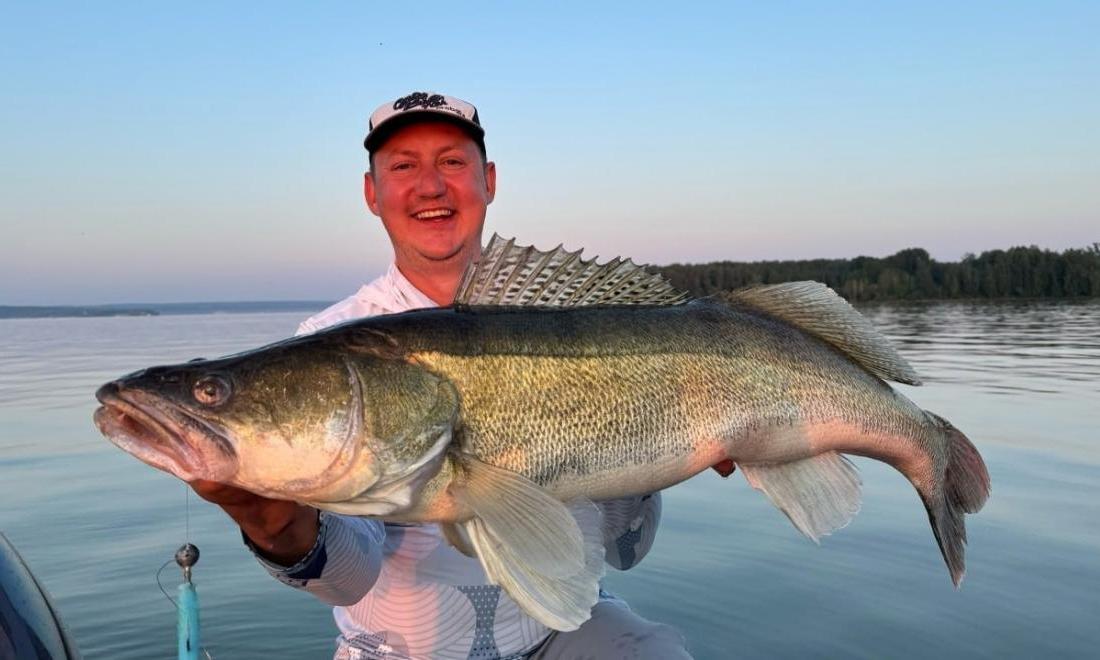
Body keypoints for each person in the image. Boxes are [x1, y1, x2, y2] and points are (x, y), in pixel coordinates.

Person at [192, 92, 692, 659]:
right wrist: (271, 522)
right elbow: (348, 579)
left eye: (452, 161)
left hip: (561, 631)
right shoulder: (329, 342)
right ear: (371, 193)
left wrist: (667, 437)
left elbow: (626, 550)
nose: (430, 186)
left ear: (489, 181)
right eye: (403, 166)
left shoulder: (588, 325)